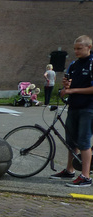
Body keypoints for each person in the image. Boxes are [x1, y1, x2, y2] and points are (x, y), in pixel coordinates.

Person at [50, 35, 93, 187]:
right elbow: (69, 85)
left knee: (83, 141)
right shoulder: (74, 65)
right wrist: (66, 87)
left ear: (89, 47)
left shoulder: (91, 63)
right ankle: (70, 170)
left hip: (88, 108)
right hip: (73, 106)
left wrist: (72, 90)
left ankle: (86, 176)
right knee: (71, 141)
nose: (76, 51)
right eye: (75, 49)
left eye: (79, 48)